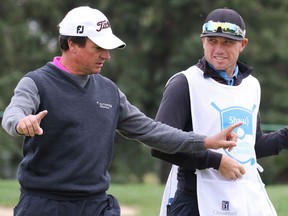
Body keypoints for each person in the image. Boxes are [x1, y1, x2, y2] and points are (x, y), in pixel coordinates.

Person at [0, 6, 241, 216]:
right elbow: (14, 112)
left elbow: (151, 131)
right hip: (44, 205)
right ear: (73, 44)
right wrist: (22, 122)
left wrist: (206, 141)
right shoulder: (36, 82)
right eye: (98, 48)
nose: (107, 55)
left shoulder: (109, 91)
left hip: (95, 205)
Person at [151, 8, 288, 216]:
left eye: (227, 42)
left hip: (240, 198)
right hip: (194, 201)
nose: (218, 49)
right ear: (202, 41)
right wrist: (215, 161)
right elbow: (160, 145)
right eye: (212, 40)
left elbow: (251, 147)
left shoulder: (252, 86)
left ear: (242, 45)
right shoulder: (184, 83)